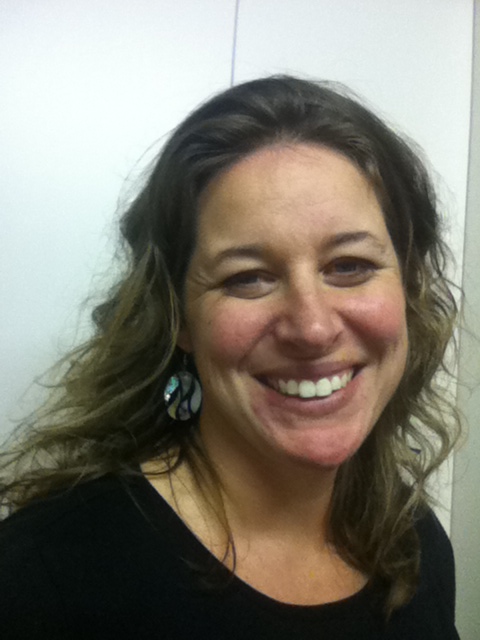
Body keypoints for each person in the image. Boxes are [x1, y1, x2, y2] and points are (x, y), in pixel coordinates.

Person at [0, 76, 461, 639]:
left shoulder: (413, 543)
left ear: (408, 288)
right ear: (179, 319)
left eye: (350, 266)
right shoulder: (42, 577)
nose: (312, 327)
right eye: (247, 277)